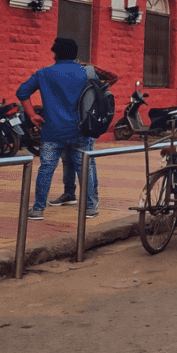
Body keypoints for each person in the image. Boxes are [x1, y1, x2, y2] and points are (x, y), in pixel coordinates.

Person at [16, 38, 102, 220]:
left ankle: (38, 209)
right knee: (85, 168)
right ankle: (90, 207)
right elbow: (101, 92)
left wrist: (32, 115)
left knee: (46, 168)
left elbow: (22, 92)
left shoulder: (44, 73)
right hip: (81, 131)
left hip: (52, 131)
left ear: (55, 53)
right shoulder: (87, 73)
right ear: (75, 54)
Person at [47, 64, 118, 208]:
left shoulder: (86, 70)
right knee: (68, 160)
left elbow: (113, 78)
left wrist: (97, 88)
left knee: (86, 162)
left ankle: (91, 201)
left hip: (85, 123)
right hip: (70, 124)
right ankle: (69, 194)